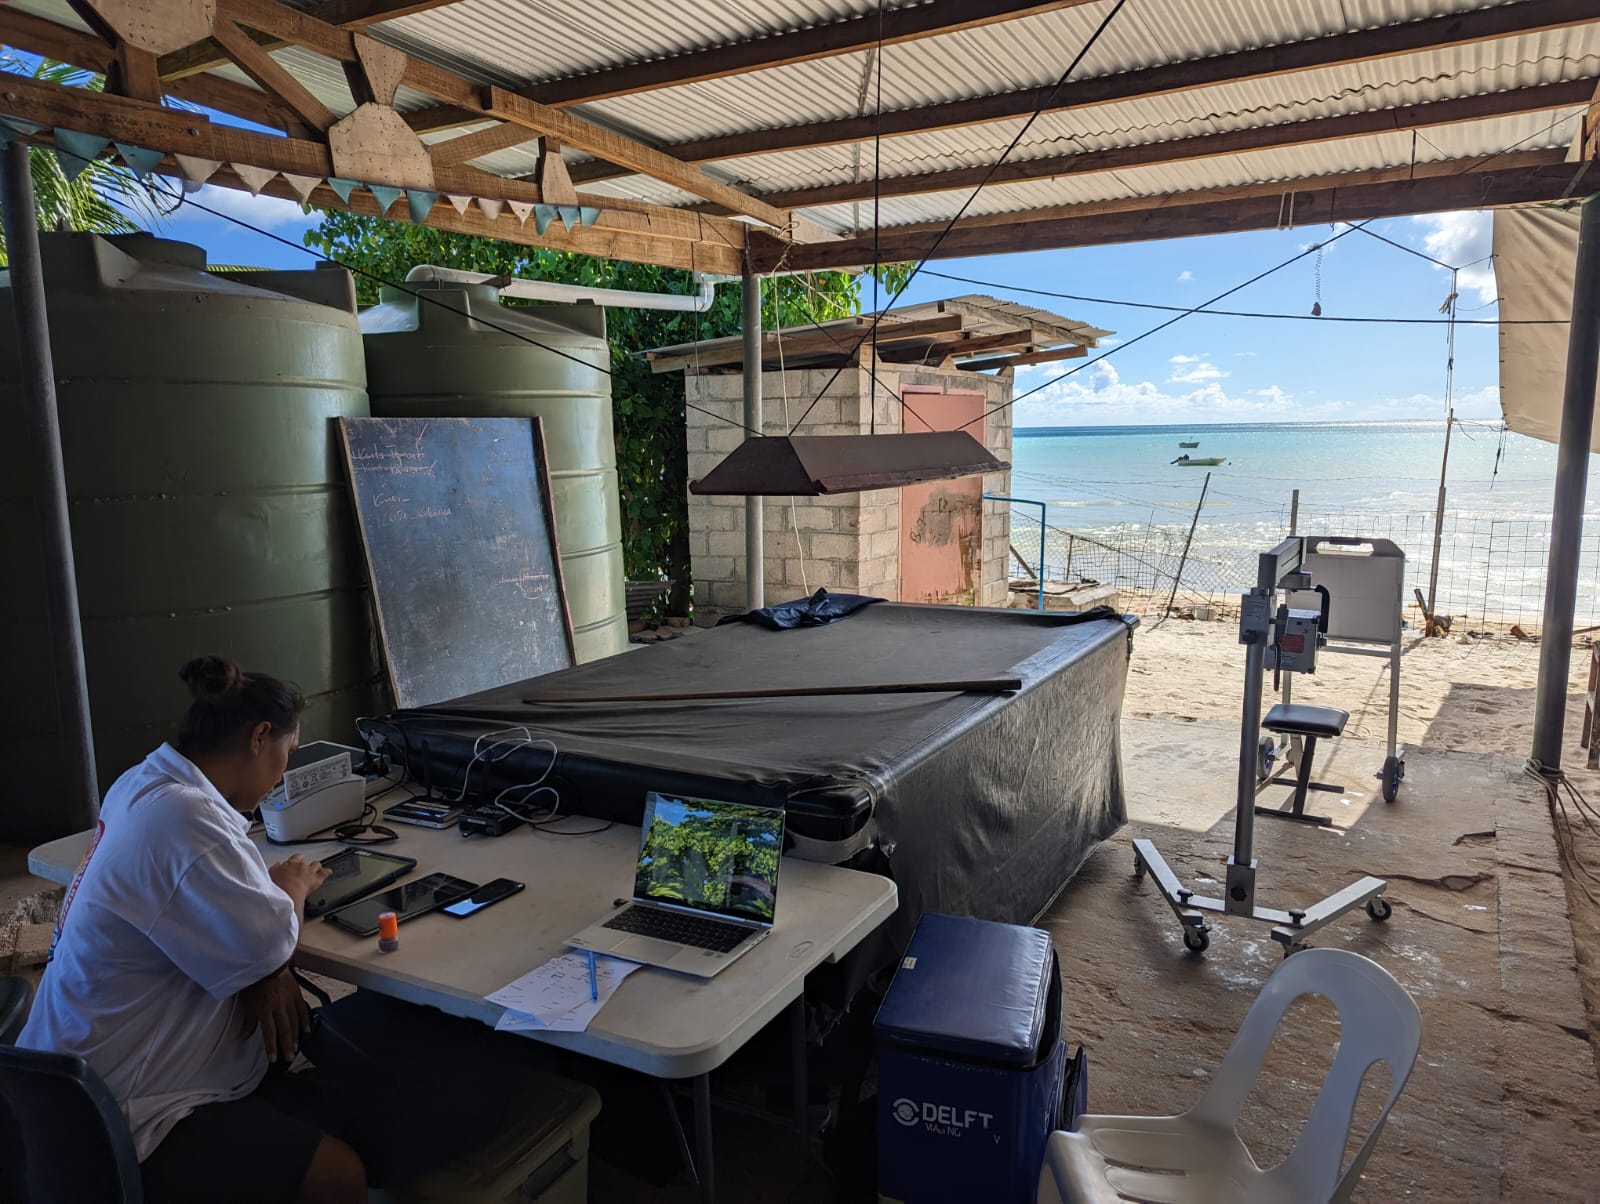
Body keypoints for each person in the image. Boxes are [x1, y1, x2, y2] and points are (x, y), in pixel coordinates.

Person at [19, 656, 365, 1203]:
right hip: (128, 1109)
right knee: (339, 1177)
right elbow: (274, 942)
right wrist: (294, 885)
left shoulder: (145, 782)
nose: (282, 774)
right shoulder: (187, 821)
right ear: (259, 737)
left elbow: (209, 907)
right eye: (287, 754)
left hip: (63, 1078)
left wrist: (260, 910)